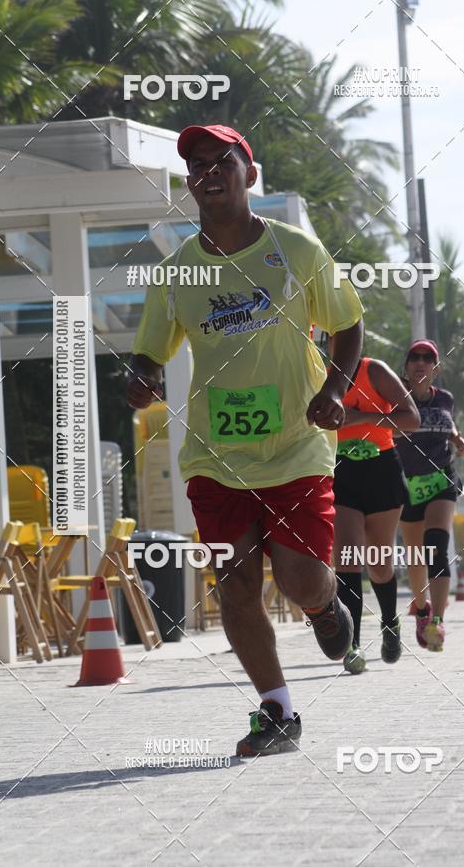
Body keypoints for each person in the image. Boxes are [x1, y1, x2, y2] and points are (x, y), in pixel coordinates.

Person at [127, 124, 364, 757]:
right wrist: (143, 378)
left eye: (221, 162)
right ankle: (277, 710)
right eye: (196, 166)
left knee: (299, 579)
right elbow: (151, 351)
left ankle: (325, 605)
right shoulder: (177, 273)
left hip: (296, 444)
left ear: (248, 174)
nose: (208, 173)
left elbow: (347, 324)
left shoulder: (296, 251)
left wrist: (335, 391)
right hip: (214, 453)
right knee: (235, 582)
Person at [332, 356, 420, 674]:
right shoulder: (318, 374)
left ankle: (390, 622)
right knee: (348, 556)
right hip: (340, 470)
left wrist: (360, 418)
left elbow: (411, 418)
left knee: (380, 564)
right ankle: (352, 644)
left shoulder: (374, 371)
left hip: (381, 469)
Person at [395, 340, 464, 652]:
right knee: (415, 556)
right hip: (407, 485)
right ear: (406, 368)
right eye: (415, 358)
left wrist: (457, 439)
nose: (421, 362)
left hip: (442, 479)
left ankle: (437, 620)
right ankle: (421, 609)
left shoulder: (446, 399)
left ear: (435, 369)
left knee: (436, 545)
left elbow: (449, 428)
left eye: (428, 358)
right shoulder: (393, 400)